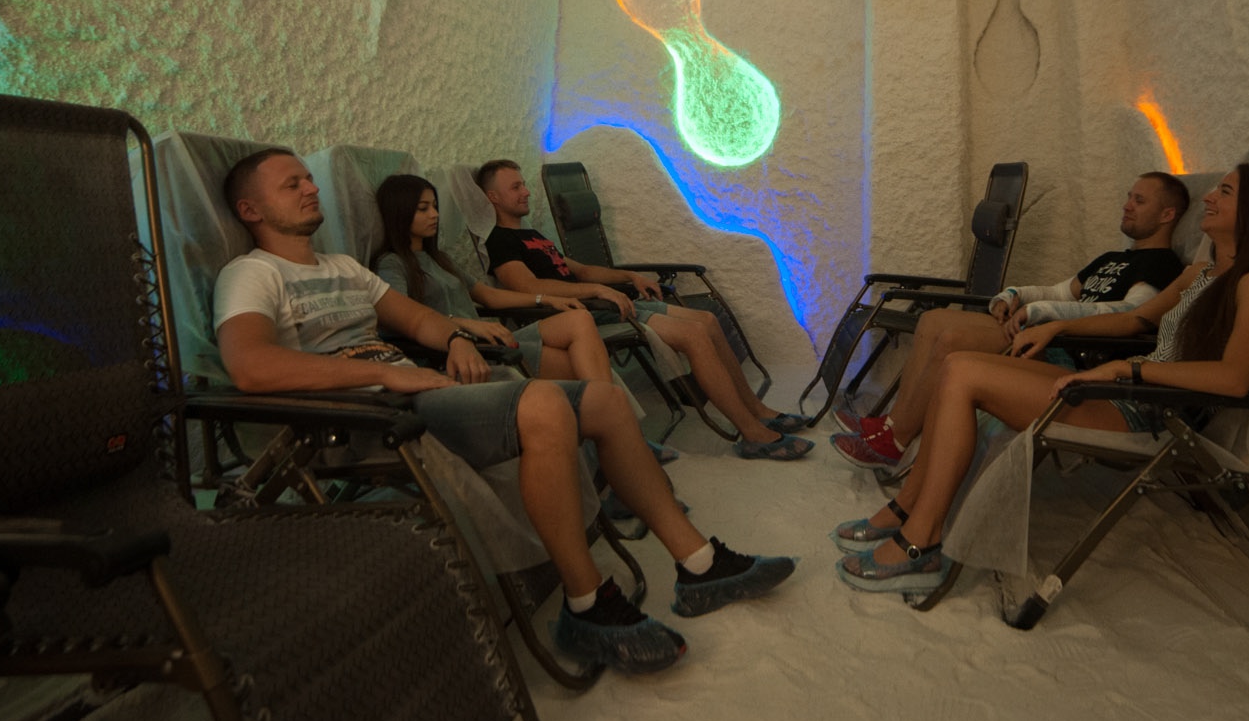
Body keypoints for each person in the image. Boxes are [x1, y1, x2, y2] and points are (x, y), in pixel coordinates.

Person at [212, 148, 796, 671]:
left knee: (604, 399)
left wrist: (455, 338)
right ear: (250, 209)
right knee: (543, 402)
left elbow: (419, 319)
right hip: (368, 418)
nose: (310, 188)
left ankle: (698, 563)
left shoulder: (344, 268)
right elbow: (251, 366)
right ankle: (588, 605)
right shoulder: (251, 274)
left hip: (423, 388)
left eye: (309, 178)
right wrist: (386, 372)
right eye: (291, 184)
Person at [832, 163, 1249, 594]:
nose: (1210, 197)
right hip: (1124, 389)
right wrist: (1057, 326)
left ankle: (922, 541)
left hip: (1151, 410)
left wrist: (1127, 368)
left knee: (964, 375)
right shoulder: (1201, 272)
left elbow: (1234, 379)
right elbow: (1134, 320)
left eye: (1225, 192)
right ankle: (907, 508)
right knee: (956, 365)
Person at [831, 172, 1190, 468]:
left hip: (1073, 351)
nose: (1127, 205)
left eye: (1139, 201)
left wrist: (1044, 313)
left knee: (953, 339)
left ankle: (896, 442)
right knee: (934, 321)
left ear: (1167, 215)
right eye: (1129, 197)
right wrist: (1015, 295)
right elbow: (1060, 292)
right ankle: (892, 423)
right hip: (1046, 333)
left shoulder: (1164, 266)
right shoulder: (1113, 258)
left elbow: (1128, 314)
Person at [475, 159, 812, 460]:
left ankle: (757, 410)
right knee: (693, 333)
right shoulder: (500, 240)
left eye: (524, 184)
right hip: (583, 312)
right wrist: (596, 291)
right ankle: (751, 434)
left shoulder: (532, 235)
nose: (526, 192)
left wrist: (628, 277)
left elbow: (583, 270)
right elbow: (527, 286)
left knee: (708, 320)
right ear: (493, 197)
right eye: (515, 187)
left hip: (601, 303)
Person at [372, 172, 611, 384]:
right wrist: (465, 324)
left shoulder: (440, 259)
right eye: (423, 209)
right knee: (582, 366)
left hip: (487, 337)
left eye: (435, 206)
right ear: (400, 212)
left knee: (579, 320)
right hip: (463, 349)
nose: (434, 214)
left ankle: (604, 407)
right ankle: (604, 408)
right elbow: (401, 318)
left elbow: (488, 295)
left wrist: (545, 299)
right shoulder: (392, 263)